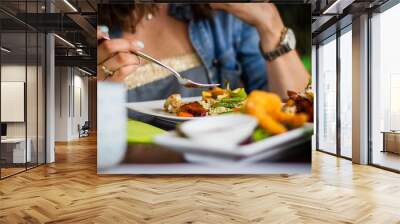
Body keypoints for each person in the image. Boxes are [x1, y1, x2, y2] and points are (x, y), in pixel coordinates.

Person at [97, 3, 309, 101]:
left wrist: (270, 24)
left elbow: (298, 109)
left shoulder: (228, 16)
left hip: (223, 174)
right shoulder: (90, 21)